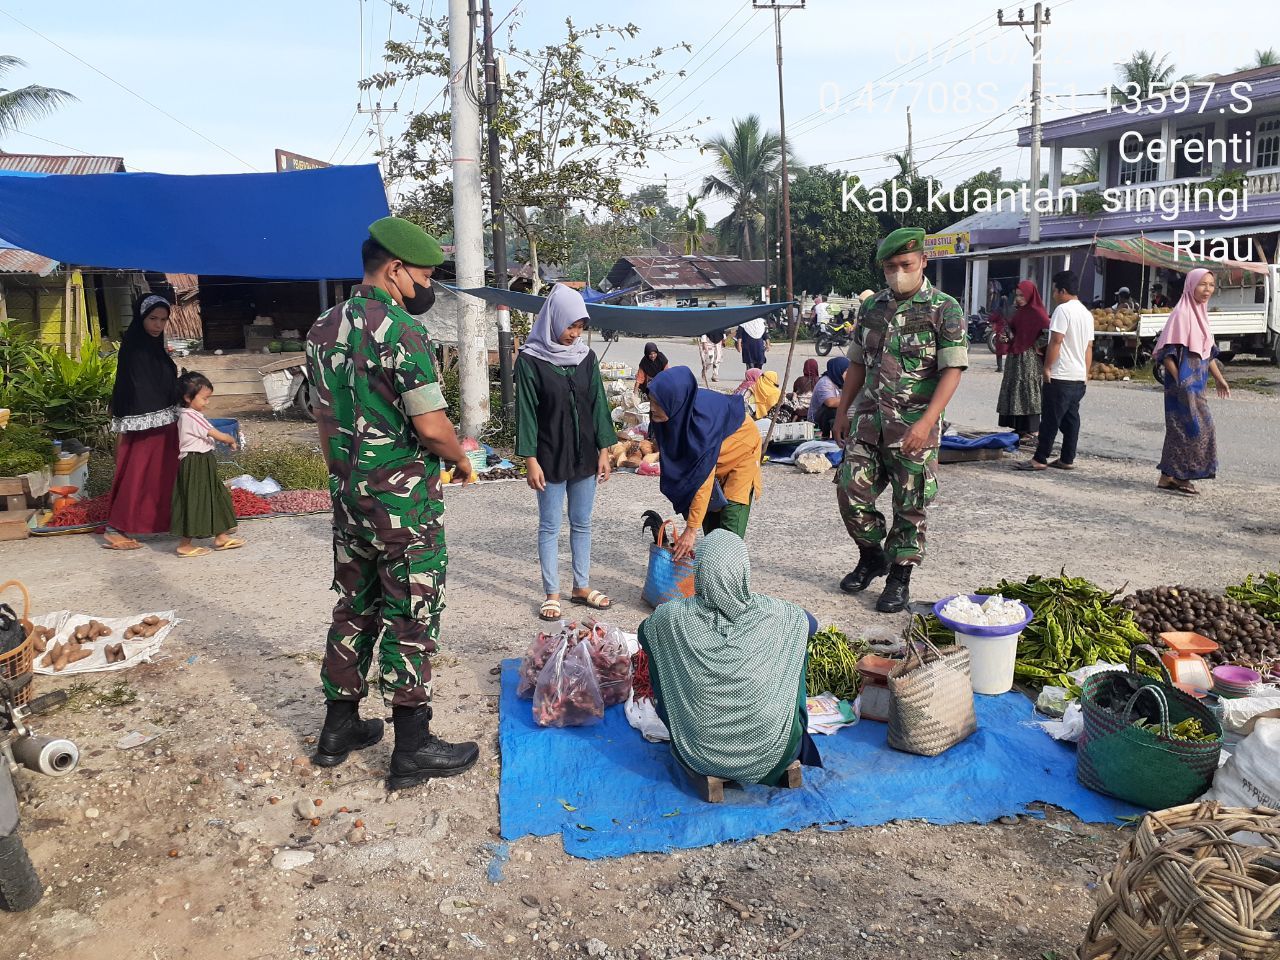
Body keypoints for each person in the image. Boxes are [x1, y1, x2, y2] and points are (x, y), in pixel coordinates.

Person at [305, 216, 477, 791]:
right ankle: (412, 747)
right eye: (423, 275)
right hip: (402, 505)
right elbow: (430, 425)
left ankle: (339, 727)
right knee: (411, 611)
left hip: (349, 497)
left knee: (354, 605)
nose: (425, 286)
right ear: (396, 269)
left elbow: (327, 418)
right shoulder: (403, 332)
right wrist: (459, 457)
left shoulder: (322, 328)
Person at [833, 227, 967, 613]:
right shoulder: (872, 307)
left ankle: (899, 578)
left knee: (910, 506)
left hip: (913, 427)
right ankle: (872, 555)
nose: (897, 273)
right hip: (870, 422)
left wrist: (926, 423)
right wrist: (844, 411)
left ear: (923, 260)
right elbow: (857, 362)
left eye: (905, 264)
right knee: (849, 492)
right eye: (890, 267)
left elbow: (952, 370)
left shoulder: (945, 309)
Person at [638, 530, 823, 787]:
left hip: (699, 754)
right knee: (795, 644)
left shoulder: (671, 617)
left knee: (661, 651)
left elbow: (644, 633)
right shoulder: (779, 614)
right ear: (744, 571)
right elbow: (813, 625)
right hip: (775, 752)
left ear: (699, 571)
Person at [515, 284, 616, 621]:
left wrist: (605, 449)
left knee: (582, 523)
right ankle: (552, 592)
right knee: (549, 525)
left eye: (580, 326)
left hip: (585, 452)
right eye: (570, 325)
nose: (574, 334)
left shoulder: (586, 357)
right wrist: (529, 459)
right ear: (553, 319)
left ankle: (581, 586)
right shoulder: (530, 360)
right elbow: (526, 412)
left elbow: (598, 403)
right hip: (548, 454)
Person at [648, 366, 762, 560]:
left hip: (741, 458)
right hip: (713, 462)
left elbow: (702, 478)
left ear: (674, 402)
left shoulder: (702, 428)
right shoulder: (673, 416)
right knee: (710, 534)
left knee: (728, 537)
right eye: (651, 401)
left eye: (658, 403)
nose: (652, 408)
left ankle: (727, 585)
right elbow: (682, 470)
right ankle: (709, 580)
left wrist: (690, 531)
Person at [103, 294, 181, 551]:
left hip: (163, 418)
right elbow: (138, 386)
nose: (158, 325)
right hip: (145, 422)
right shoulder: (136, 348)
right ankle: (116, 527)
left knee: (159, 474)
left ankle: (159, 522)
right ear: (141, 317)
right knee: (137, 474)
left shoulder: (153, 346)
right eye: (152, 319)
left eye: (163, 320)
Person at [1153, 268, 1230, 495]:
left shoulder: (1201, 314)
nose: (1207, 289)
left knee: (1181, 429)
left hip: (1198, 385)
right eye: (1202, 284)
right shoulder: (1182, 314)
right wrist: (1181, 380)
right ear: (1191, 285)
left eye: (1211, 285)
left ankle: (1167, 476)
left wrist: (1220, 379)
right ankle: (1182, 477)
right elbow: (1166, 354)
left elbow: (1207, 354)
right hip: (1182, 386)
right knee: (1195, 428)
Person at [1016, 270, 1094, 473]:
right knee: (1071, 419)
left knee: (1051, 419)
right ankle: (1067, 458)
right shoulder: (1086, 313)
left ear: (1063, 290)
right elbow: (1089, 347)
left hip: (1061, 374)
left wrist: (1047, 367)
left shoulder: (1063, 311)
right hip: (1078, 376)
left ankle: (1040, 458)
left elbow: (1056, 341)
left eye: (1054, 290)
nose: (1053, 295)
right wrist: (1085, 373)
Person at [169, 372, 244, 558]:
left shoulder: (190, 414)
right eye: (204, 398)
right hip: (194, 463)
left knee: (216, 496)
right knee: (195, 501)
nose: (207, 403)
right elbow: (215, 434)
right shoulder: (191, 416)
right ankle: (185, 544)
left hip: (204, 460)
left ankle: (221, 536)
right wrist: (230, 439)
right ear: (187, 398)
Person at [996, 280, 1052, 440]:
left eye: (1022, 295)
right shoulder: (1020, 312)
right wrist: (1006, 338)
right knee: (1016, 389)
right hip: (1015, 356)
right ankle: (1020, 428)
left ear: (1030, 295)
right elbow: (1013, 331)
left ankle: (1033, 429)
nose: (1019, 298)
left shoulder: (1037, 312)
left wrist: (1037, 345)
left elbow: (1049, 331)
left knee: (1028, 390)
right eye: (1017, 295)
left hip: (1028, 358)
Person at [809, 357, 849, 439]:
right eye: (847, 371)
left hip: (829, 417)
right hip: (817, 420)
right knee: (833, 409)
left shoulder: (839, 382)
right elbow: (830, 402)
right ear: (838, 371)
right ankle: (828, 436)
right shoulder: (825, 383)